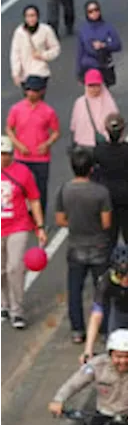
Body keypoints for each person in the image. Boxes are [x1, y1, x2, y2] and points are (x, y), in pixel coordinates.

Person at [56, 148, 112, 343]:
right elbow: (106, 223)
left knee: (75, 290)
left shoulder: (65, 190)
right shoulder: (101, 192)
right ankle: (104, 330)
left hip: (76, 246)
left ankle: (78, 330)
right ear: (91, 169)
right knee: (103, 289)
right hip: (99, 247)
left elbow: (61, 219)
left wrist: (76, 223)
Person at [0, 134, 48, 330]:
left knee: (14, 268)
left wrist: (40, 226)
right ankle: (4, 303)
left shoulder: (23, 172)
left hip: (18, 226)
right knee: (1, 270)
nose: (3, 158)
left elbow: (34, 199)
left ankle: (17, 310)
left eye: (5, 154)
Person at [7, 76, 59, 212]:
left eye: (35, 91)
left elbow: (55, 132)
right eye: (29, 90)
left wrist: (47, 144)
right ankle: (21, 216)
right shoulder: (16, 109)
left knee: (41, 190)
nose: (31, 93)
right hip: (21, 157)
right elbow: (9, 129)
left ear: (41, 92)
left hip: (41, 158)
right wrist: (18, 145)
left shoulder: (48, 111)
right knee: (19, 189)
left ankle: (39, 219)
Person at [10, 6, 61, 89]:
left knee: (36, 98)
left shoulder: (46, 30)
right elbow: (15, 53)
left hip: (40, 71)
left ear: (37, 16)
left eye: (33, 15)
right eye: (28, 16)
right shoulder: (19, 32)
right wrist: (15, 73)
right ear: (25, 18)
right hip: (25, 74)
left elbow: (56, 48)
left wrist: (43, 55)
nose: (31, 19)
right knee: (29, 100)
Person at [76, 0, 123, 85]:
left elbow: (118, 45)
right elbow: (80, 52)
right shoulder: (83, 30)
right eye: (90, 11)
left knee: (106, 91)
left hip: (104, 64)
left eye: (96, 10)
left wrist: (104, 45)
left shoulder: (108, 27)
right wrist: (79, 73)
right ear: (87, 14)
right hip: (89, 65)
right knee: (94, 91)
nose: (94, 13)